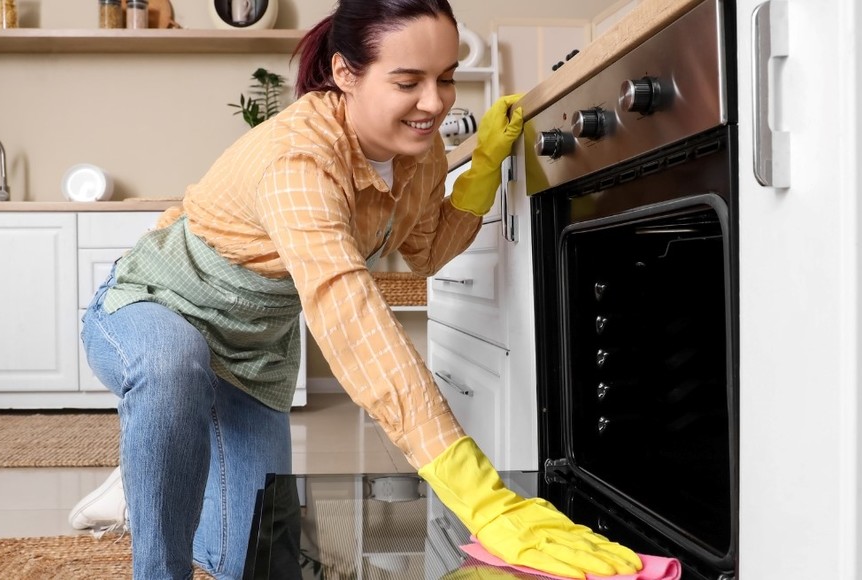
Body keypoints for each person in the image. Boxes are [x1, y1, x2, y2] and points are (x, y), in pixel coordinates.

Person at [71, 1, 644, 579]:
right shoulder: (300, 160)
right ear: (346, 74)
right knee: (174, 371)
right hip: (158, 306)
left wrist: (485, 166)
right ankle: (157, 490)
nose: (434, 102)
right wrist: (484, 498)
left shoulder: (419, 152)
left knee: (256, 559)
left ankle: (154, 461)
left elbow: (427, 253)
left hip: (253, 351)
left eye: (445, 77)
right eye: (408, 81)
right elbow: (350, 316)